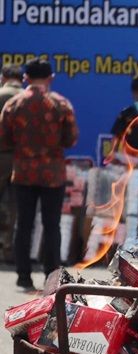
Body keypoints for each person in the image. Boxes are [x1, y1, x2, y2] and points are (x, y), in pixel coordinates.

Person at [0, 59, 78, 289]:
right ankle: (51, 277)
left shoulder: (13, 105)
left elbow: (3, 139)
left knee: (23, 224)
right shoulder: (61, 104)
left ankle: (23, 276)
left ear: (25, 78)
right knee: (51, 225)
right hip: (53, 175)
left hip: (23, 173)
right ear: (51, 78)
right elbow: (71, 139)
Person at [0, 65, 24, 259]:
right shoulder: (28, 98)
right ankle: (7, 249)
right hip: (22, 160)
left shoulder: (1, 95)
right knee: (15, 206)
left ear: (4, 77)